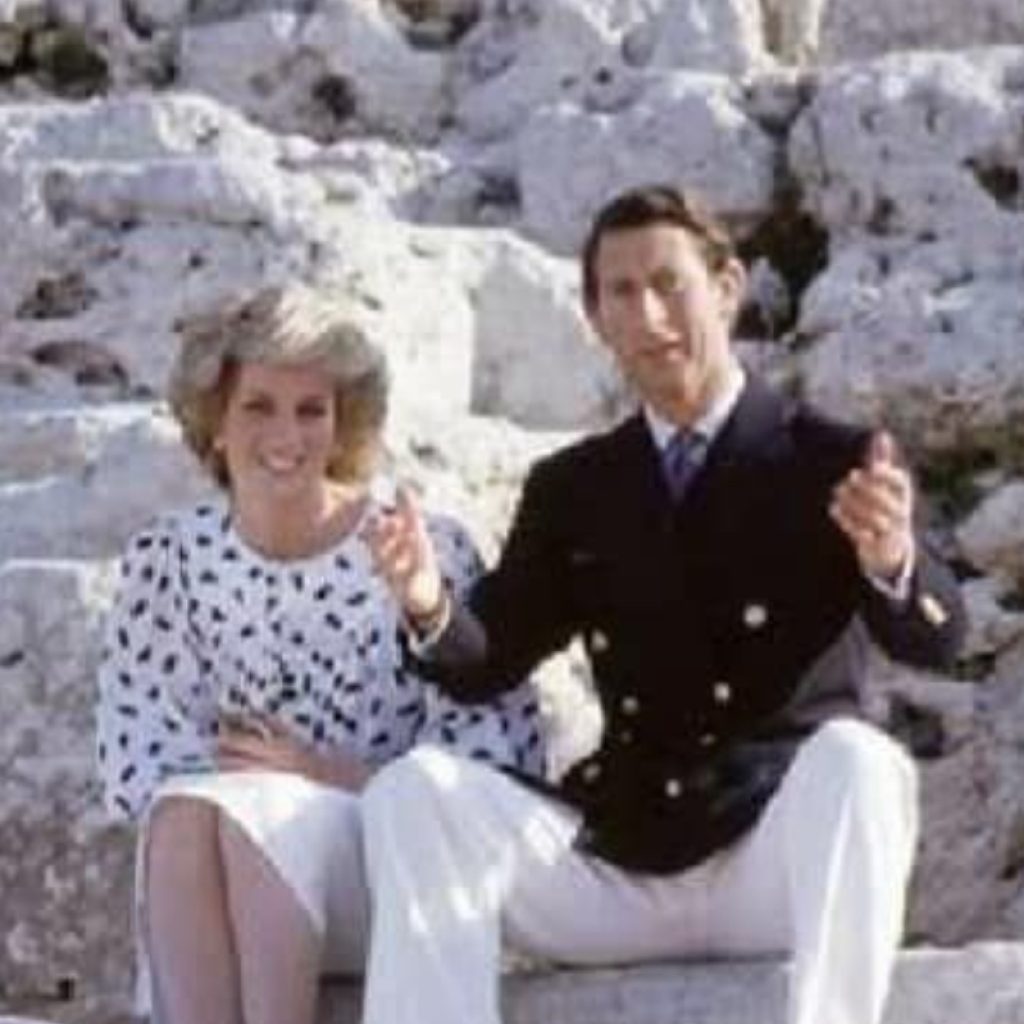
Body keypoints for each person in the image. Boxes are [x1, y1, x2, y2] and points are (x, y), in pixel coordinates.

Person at [363, 184, 966, 1024]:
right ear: (595, 318)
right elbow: (488, 658)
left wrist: (892, 559)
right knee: (414, 792)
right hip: (623, 860)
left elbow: (940, 638)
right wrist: (427, 602)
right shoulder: (575, 487)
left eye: (668, 284)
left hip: (773, 863)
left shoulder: (832, 460)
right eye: (621, 292)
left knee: (861, 763)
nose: (648, 316)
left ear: (727, 288)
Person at [95, 282, 543, 1024]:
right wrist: (246, 782)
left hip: (393, 877)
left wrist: (323, 775)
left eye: (312, 410)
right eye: (259, 407)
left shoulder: (418, 550)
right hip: (216, 880)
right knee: (185, 815)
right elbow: (135, 760)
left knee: (256, 816)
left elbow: (495, 762)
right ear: (215, 422)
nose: (287, 435)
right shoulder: (166, 560)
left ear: (342, 426)